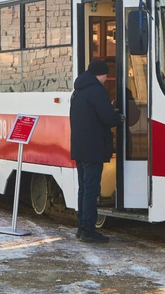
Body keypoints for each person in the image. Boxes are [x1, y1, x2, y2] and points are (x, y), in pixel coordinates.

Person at [70, 60, 124, 243]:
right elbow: (107, 118)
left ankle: (81, 227)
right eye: (105, 75)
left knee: (84, 189)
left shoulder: (77, 91)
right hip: (93, 148)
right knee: (92, 190)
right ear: (99, 75)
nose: (106, 78)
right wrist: (119, 117)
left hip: (79, 147)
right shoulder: (97, 91)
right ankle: (88, 230)